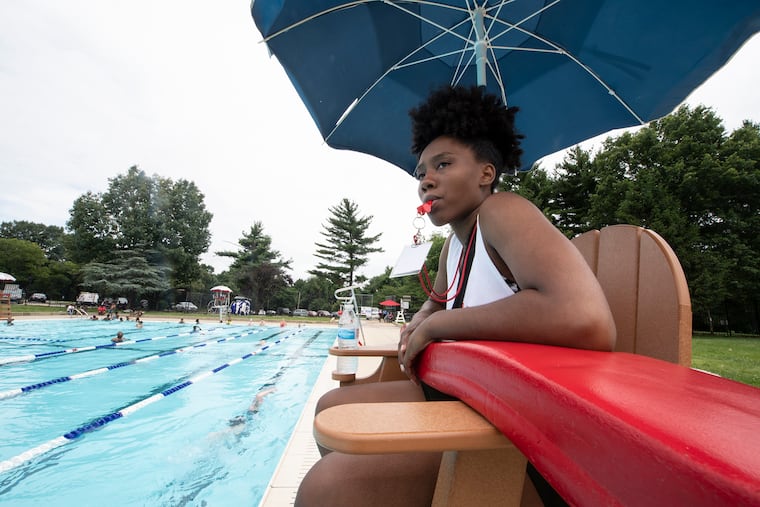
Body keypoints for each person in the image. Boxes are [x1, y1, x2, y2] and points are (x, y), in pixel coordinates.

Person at [294, 85, 616, 507]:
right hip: (470, 395)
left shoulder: (505, 211)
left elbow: (586, 319)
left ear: (486, 173)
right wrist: (425, 315)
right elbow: (443, 302)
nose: (426, 180)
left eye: (443, 164)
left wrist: (441, 323)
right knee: (330, 409)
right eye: (421, 172)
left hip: (528, 428)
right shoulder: (452, 245)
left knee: (328, 488)